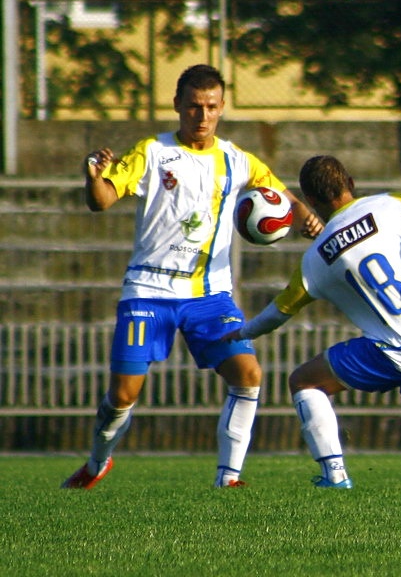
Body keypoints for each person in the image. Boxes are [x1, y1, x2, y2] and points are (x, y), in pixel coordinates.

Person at [61, 64, 323, 490]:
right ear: (178, 106)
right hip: (148, 290)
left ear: (222, 109)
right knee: (123, 396)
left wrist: (305, 217)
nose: (202, 117)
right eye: (194, 107)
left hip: (209, 295)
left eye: (212, 107)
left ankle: (229, 478)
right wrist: (93, 178)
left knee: (248, 373)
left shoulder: (237, 160)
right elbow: (103, 200)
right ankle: (96, 462)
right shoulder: (152, 152)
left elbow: (280, 194)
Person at [224, 155, 401, 489]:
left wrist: (242, 332)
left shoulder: (315, 258)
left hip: (394, 354)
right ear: (350, 182)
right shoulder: (394, 205)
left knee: (305, 382)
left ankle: (334, 475)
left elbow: (278, 313)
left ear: (310, 202)